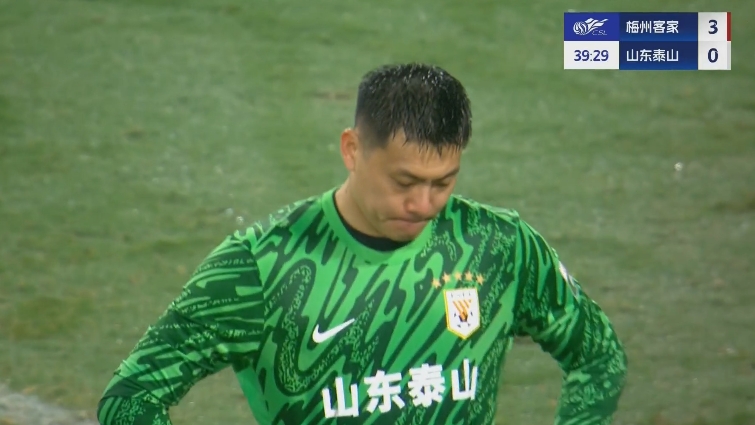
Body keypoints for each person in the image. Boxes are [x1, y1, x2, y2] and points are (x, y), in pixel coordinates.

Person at [97, 62, 628, 425]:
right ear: (352, 150)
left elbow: (597, 355)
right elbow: (131, 398)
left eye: (443, 182)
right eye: (404, 182)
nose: (423, 204)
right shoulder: (263, 266)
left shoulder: (498, 246)